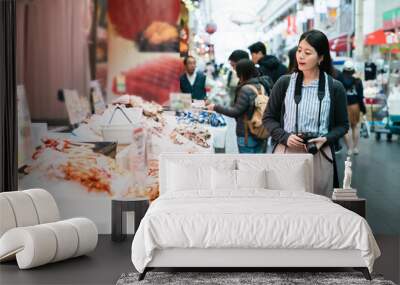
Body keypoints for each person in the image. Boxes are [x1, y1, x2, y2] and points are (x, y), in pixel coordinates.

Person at [263, 29, 349, 197]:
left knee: (319, 203)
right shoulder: (284, 83)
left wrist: (324, 139)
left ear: (321, 57)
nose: (300, 56)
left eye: (307, 52)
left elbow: (343, 125)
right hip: (286, 152)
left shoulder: (334, 87)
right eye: (299, 50)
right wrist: (285, 136)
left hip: (319, 153)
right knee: (285, 202)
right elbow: (268, 118)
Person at [207, 59, 267, 153]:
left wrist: (215, 107)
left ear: (242, 73)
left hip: (247, 135)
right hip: (260, 131)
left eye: (237, 71)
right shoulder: (261, 86)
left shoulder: (245, 89)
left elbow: (236, 111)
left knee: (246, 164)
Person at [341, 60, 366, 155]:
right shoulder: (358, 81)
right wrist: (363, 109)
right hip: (355, 106)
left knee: (346, 129)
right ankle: (355, 148)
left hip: (344, 106)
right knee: (355, 127)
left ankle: (349, 149)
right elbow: (360, 96)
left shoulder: (340, 79)